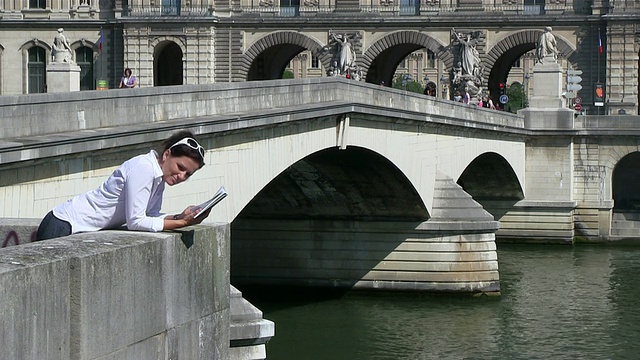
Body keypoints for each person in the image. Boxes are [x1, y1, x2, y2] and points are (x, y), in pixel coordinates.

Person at [35, 130, 211, 241]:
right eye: (180, 167)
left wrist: (180, 215)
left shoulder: (158, 179)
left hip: (72, 227)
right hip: (63, 225)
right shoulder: (144, 168)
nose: (181, 176)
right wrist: (181, 223)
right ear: (166, 154)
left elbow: (151, 216)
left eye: (188, 174)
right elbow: (136, 221)